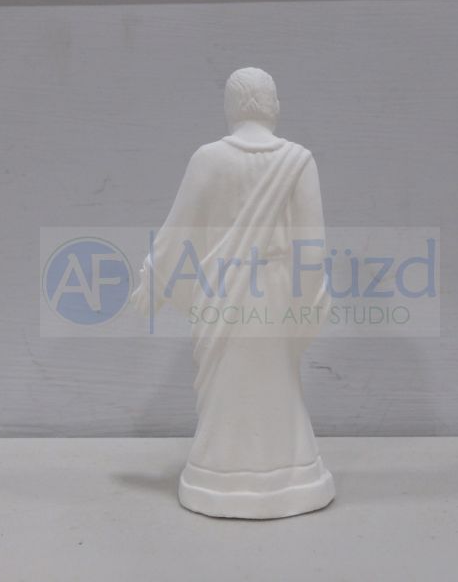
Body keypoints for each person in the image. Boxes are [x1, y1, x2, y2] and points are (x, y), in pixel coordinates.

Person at [131, 67, 334, 518]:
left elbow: (178, 230)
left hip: (220, 290)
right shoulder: (300, 161)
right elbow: (312, 249)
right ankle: (291, 471)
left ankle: (217, 472)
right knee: (276, 379)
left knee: (228, 382)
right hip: (277, 291)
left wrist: (154, 277)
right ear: (274, 105)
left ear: (230, 107)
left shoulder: (208, 159)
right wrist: (308, 305)